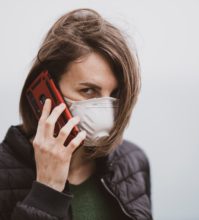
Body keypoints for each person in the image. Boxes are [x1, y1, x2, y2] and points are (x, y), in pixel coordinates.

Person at [0, 8, 152, 220]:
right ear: (46, 92)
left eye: (114, 94)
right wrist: (46, 190)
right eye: (88, 90)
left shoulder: (133, 162)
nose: (106, 110)